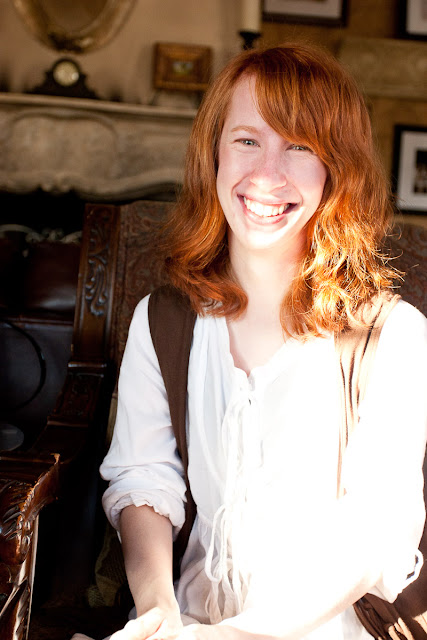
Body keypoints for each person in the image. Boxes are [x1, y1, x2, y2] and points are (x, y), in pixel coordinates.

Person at [74, 43, 427, 640]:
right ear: (213, 153)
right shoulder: (161, 321)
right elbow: (144, 479)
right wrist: (159, 613)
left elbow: (374, 536)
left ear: (337, 169)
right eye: (247, 140)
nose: (267, 174)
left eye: (300, 147)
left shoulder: (392, 337)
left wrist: (230, 638)